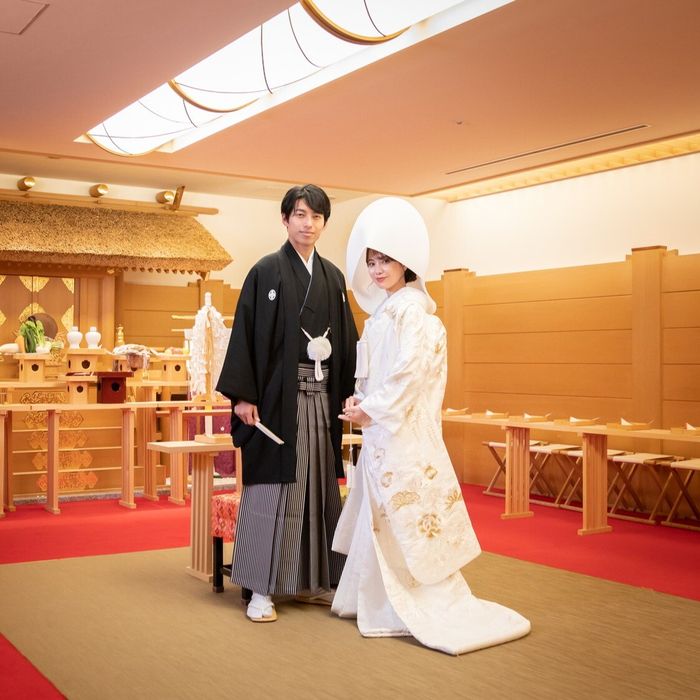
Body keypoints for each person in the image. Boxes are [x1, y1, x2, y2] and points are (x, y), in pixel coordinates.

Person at [332, 197, 530, 654]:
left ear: (405, 262)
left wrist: (372, 408)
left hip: (403, 435)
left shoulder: (414, 314)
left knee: (406, 516)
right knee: (381, 515)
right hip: (383, 429)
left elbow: (410, 374)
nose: (377, 270)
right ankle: (374, 601)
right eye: (371, 261)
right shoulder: (383, 314)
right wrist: (361, 399)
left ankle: (406, 603)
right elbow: (377, 374)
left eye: (385, 260)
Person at [217, 184, 358, 622]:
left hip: (321, 399)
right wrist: (243, 395)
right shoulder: (266, 271)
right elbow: (245, 333)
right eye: (299, 214)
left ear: (324, 223)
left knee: (317, 487)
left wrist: (351, 390)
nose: (307, 223)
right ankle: (261, 590)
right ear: (284, 219)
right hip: (277, 402)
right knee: (272, 489)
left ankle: (313, 582)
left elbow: (348, 342)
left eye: (315, 216)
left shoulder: (333, 278)